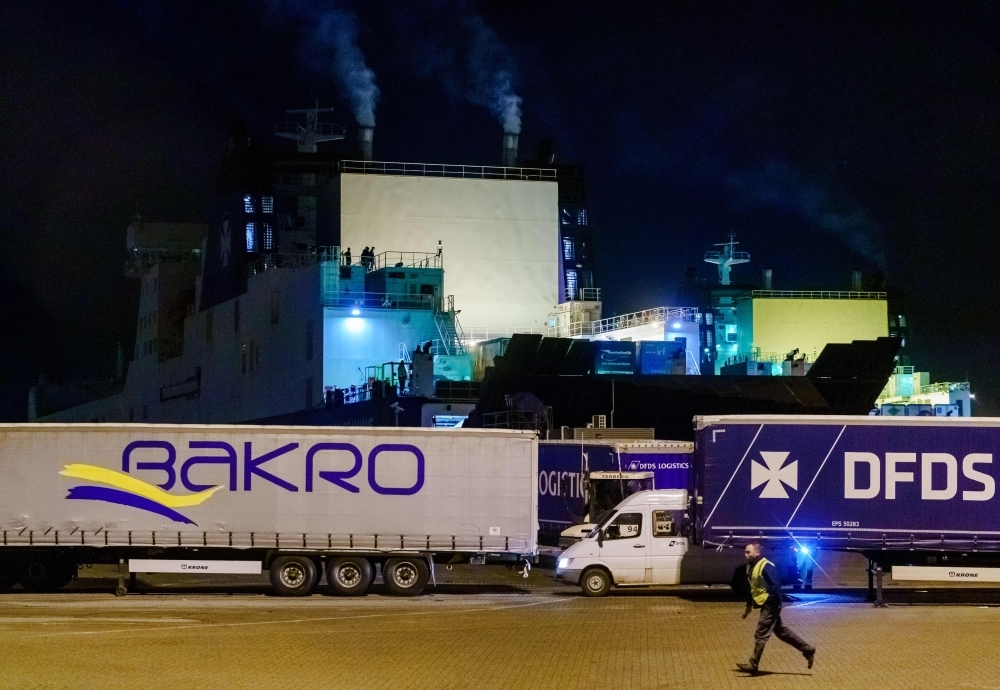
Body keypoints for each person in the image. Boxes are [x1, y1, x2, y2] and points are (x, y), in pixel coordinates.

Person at [737, 541, 815, 675]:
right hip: (768, 603)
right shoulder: (751, 566)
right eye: (745, 552)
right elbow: (754, 587)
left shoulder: (766, 566)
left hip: (771, 604)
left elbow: (776, 586)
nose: (746, 555)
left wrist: (769, 602)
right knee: (781, 631)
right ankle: (807, 649)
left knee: (760, 633)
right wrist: (749, 605)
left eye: (748, 552)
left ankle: (753, 664)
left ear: (757, 553)